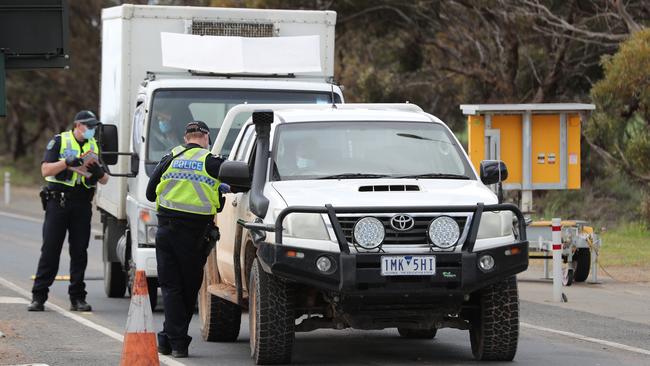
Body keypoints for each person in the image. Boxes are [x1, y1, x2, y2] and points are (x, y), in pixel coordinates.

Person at [145, 121, 228, 358]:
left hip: (165, 231)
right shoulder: (211, 161)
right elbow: (222, 200)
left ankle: (166, 340)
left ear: (186, 137)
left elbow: (150, 193)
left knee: (171, 288)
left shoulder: (169, 157)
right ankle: (178, 343)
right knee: (188, 289)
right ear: (206, 136)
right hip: (193, 235)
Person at [28, 110, 109, 312]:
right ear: (77, 125)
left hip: (82, 204)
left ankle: (77, 298)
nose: (91, 130)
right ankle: (38, 296)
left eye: (93, 126)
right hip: (58, 203)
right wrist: (66, 162)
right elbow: (45, 170)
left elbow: (105, 179)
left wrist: (99, 173)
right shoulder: (59, 141)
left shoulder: (93, 146)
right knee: (50, 250)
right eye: (88, 126)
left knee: (79, 252)